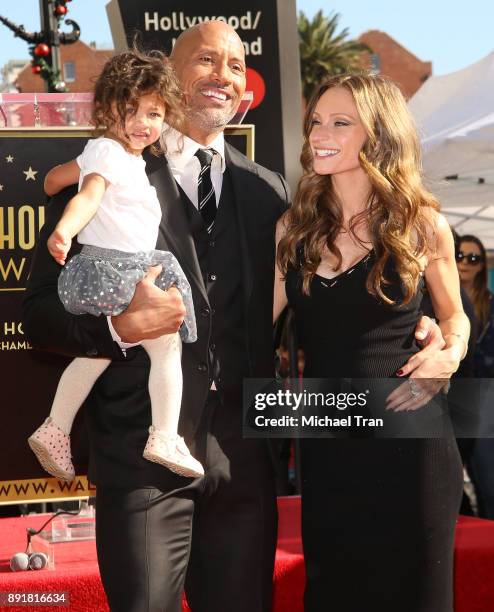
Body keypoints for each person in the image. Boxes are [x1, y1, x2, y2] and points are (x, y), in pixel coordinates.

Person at [23, 23, 446, 612]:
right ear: (169, 74)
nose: (223, 74)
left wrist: (435, 331)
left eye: (235, 63)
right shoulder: (111, 170)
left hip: (245, 464)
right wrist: (119, 329)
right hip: (142, 458)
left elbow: (332, 304)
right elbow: (38, 313)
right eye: (206, 60)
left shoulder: (268, 190)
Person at [274, 74, 470, 611]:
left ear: (378, 135)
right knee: (335, 593)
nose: (320, 132)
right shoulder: (295, 228)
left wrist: (447, 355)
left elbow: (456, 318)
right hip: (330, 442)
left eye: (341, 122)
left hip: (413, 441)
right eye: (316, 121)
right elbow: (246, 327)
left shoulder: (421, 222)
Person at [27, 48, 203, 482]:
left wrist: (58, 180)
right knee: (166, 343)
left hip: (117, 270)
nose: (145, 122)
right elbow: (87, 197)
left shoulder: (110, 154)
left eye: (155, 113)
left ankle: (54, 429)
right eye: (132, 110)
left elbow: (54, 180)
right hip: (112, 269)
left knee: (102, 351)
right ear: (109, 109)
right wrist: (65, 230)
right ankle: (163, 434)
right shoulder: (107, 152)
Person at [456, 233, 494, 518]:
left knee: (487, 480)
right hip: (449, 394)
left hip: (484, 395)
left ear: (481, 265)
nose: (465, 263)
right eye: (460, 256)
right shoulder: (434, 300)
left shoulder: (491, 305)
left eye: (473, 258)